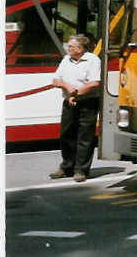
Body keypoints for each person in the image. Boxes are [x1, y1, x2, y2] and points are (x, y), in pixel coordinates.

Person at [49, 34, 101, 182]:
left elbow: (94, 83)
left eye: (71, 46)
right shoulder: (66, 59)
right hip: (69, 101)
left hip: (88, 102)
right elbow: (55, 80)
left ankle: (81, 170)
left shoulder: (93, 60)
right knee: (66, 135)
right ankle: (67, 167)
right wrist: (67, 87)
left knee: (85, 137)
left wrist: (76, 94)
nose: (68, 48)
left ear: (80, 48)